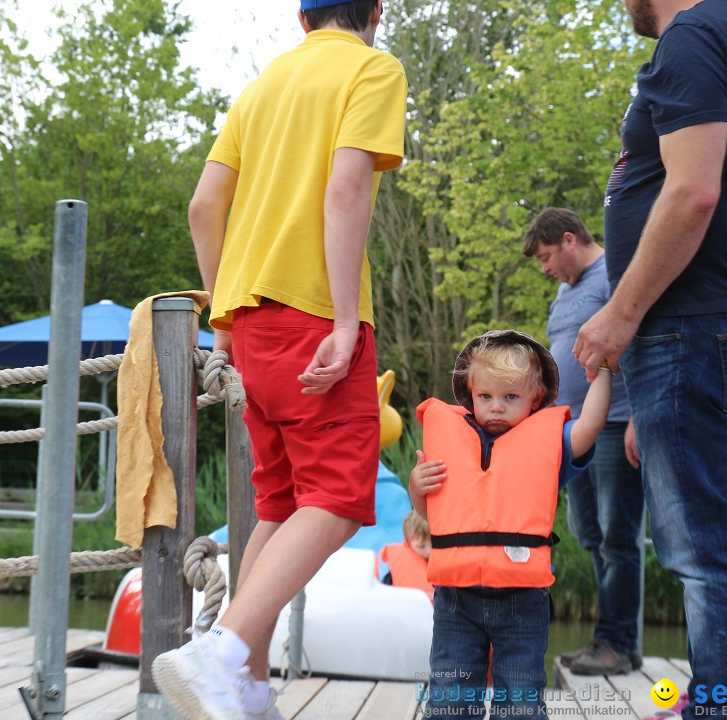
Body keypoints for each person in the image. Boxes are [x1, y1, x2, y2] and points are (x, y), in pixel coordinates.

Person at [150, 2, 407, 719]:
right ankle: (221, 652)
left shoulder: (263, 86)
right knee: (338, 499)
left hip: (251, 319)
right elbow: (347, 188)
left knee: (283, 501)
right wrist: (347, 317)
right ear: (375, 12)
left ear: (303, 18)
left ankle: (250, 687)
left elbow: (206, 206)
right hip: (314, 314)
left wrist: (225, 315)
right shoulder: (371, 68)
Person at [573, 0, 727, 716]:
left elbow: (694, 191)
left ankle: (720, 706)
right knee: (713, 537)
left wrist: (621, 313)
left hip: (696, 323)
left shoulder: (694, 35)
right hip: (726, 321)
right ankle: (717, 695)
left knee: (703, 552)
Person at [410, 330, 610, 719]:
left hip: (522, 600)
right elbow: (430, 513)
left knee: (520, 701)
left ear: (535, 400)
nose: (496, 408)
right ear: (470, 393)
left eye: (511, 397)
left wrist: (602, 370)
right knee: (450, 699)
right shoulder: (451, 439)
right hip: (455, 599)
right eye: (486, 397)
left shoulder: (553, 441)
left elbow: (590, 428)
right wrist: (418, 487)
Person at [523, 208, 644, 675]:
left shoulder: (616, 276)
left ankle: (614, 641)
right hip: (569, 432)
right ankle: (615, 642)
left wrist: (637, 416)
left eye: (548, 257)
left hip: (614, 424)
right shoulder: (564, 291)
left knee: (619, 537)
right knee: (590, 536)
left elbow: (639, 342)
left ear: (570, 240)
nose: (546, 268)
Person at [380, 510, 434, 596]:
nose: (429, 551)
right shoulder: (391, 577)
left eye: (434, 544)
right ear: (408, 543)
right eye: (421, 546)